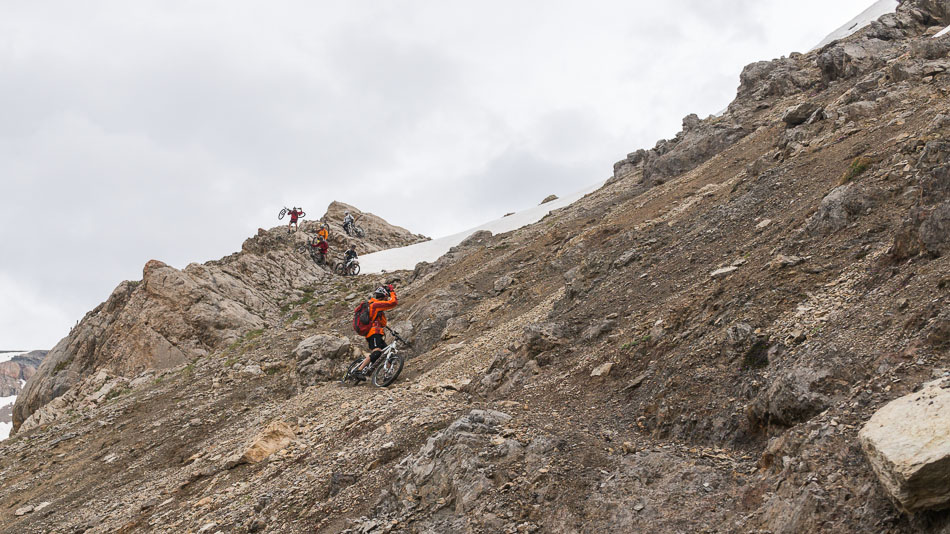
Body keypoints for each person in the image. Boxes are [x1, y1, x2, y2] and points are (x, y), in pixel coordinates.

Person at [355, 284, 398, 378]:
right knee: (377, 352)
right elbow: (393, 302)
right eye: (386, 298)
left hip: (378, 333)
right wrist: (392, 292)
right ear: (383, 296)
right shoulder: (375, 305)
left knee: (387, 354)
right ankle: (359, 370)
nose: (387, 300)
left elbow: (383, 323)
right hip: (373, 333)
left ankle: (388, 375)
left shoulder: (377, 309)